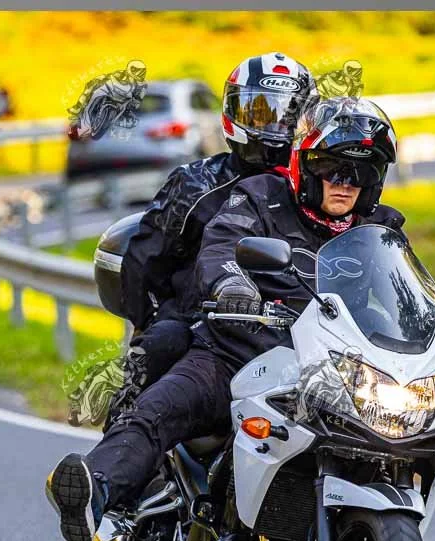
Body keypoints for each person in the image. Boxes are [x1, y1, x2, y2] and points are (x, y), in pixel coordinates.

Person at [45, 96, 404, 541]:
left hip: (334, 375)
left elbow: (404, 291)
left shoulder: (381, 227)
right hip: (238, 355)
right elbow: (220, 246)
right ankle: (95, 488)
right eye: (331, 166)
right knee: (162, 406)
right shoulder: (259, 196)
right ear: (306, 163)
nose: (344, 182)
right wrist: (231, 283)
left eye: (360, 172)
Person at [103, 52, 316, 429]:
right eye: (258, 113)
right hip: (201, 322)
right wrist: (153, 321)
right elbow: (145, 262)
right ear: (232, 113)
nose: (271, 127)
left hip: (300, 332)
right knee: (163, 342)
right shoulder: (195, 183)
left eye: (285, 116)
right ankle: (119, 442)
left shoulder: (318, 190)